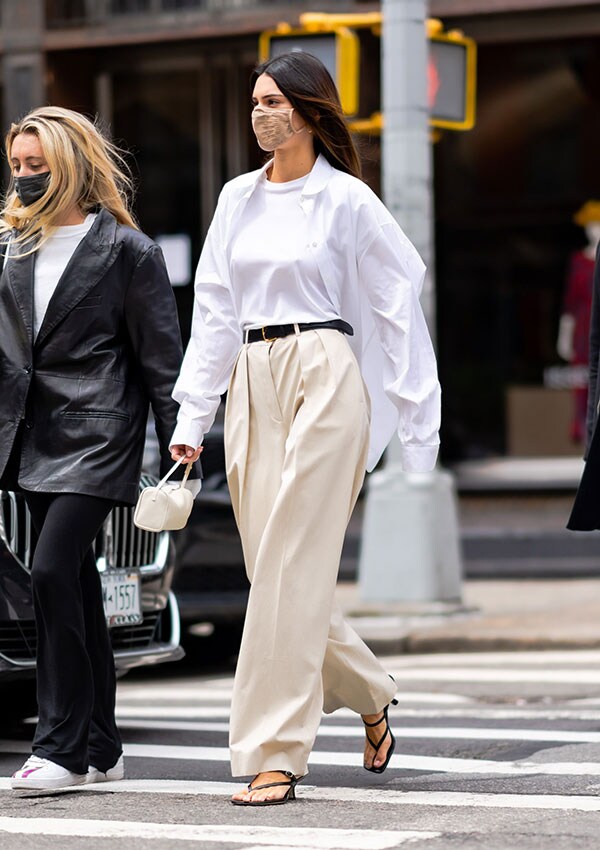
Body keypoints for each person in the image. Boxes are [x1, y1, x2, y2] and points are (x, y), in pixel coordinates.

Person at [170, 52, 441, 806]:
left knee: (291, 561)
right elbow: (216, 312)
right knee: (276, 572)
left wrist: (421, 423)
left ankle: (275, 752)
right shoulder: (235, 199)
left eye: (275, 102)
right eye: (255, 101)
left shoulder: (347, 201)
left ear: (310, 112)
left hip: (325, 369)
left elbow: (397, 305)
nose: (261, 114)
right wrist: (194, 415)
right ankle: (371, 690)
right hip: (252, 382)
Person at [0, 106, 194, 791]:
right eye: (17, 167)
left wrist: (183, 440)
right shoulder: (11, 246)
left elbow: (161, 358)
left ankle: (58, 747)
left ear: (72, 166)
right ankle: (104, 746)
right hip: (29, 433)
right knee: (77, 588)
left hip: (99, 432)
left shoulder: (128, 252)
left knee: (50, 572)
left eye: (37, 167)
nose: (23, 179)